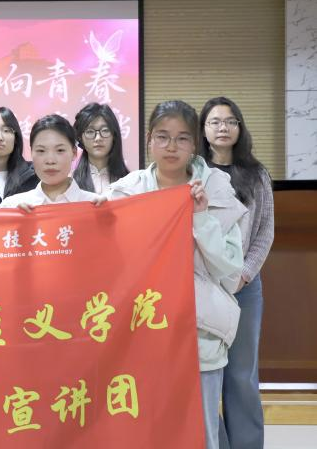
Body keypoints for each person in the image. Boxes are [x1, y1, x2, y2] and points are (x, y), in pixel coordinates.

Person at [106, 100, 247, 449]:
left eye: (182, 138)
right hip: (141, 330)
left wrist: (201, 217)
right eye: (162, 137)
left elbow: (230, 269)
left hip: (199, 330)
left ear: (195, 144)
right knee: (147, 431)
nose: (171, 147)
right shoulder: (125, 192)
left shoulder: (217, 191)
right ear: (149, 140)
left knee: (201, 433)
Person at [200, 96, 274, 449]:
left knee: (242, 375)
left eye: (230, 121)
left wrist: (244, 273)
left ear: (240, 128)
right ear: (203, 129)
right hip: (204, 285)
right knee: (204, 376)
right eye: (215, 122)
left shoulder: (257, 174)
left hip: (245, 286)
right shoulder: (194, 173)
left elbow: (265, 231)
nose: (223, 128)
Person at [0, 114, 100, 209]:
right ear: (31, 153)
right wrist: (16, 218)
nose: (50, 161)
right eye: (41, 151)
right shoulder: (11, 206)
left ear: (74, 153)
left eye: (60, 150)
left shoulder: (94, 205)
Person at [72, 102, 130, 193]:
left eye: (105, 130)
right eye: (90, 131)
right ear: (80, 138)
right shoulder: (70, 183)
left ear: (114, 135)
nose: (98, 138)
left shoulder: (130, 182)